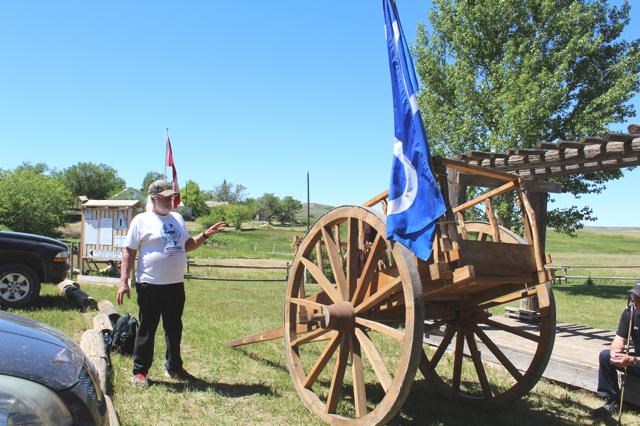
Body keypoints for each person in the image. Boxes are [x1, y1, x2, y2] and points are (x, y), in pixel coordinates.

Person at [116, 179, 225, 386]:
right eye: (165, 198)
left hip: (175, 284)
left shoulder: (177, 218)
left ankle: (174, 366)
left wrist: (205, 235)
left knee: (174, 328)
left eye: (171, 197)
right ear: (153, 198)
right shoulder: (141, 220)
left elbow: (187, 245)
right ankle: (140, 372)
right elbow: (128, 251)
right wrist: (124, 281)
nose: (170, 201)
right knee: (148, 328)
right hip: (150, 284)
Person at [593, 282, 640, 418]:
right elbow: (619, 339)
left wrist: (632, 360)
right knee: (605, 356)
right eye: (633, 297)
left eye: (638, 298)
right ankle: (612, 400)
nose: (635, 301)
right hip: (636, 361)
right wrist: (616, 353)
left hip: (636, 360)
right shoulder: (629, 314)